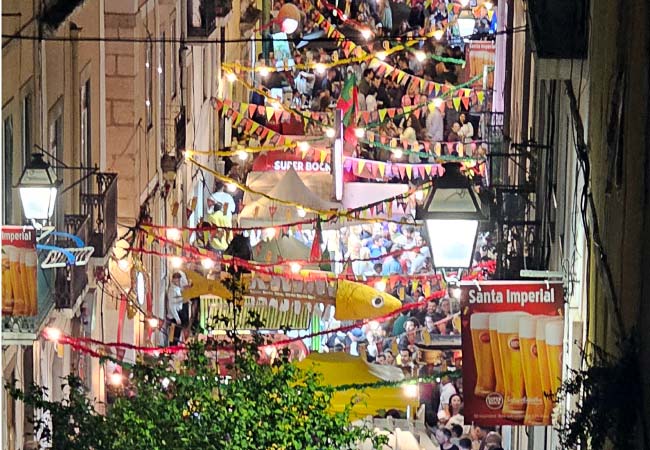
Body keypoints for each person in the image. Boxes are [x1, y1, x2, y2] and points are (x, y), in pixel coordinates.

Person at [167, 272, 188, 344]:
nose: (177, 282)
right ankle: (172, 349)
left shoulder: (177, 288)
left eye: (178, 280)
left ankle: (174, 349)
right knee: (173, 336)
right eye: (176, 280)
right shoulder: (172, 290)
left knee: (177, 334)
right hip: (174, 316)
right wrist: (177, 318)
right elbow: (172, 305)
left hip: (178, 313)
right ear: (173, 280)